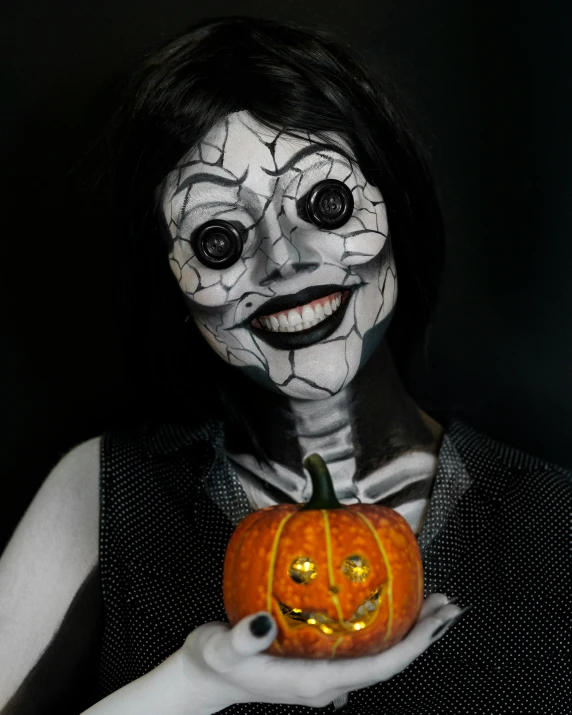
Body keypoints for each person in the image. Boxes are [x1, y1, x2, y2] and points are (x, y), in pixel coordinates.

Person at [0, 16, 569, 715]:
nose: (285, 259)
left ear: (396, 201)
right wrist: (192, 683)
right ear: (173, 286)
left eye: (325, 204)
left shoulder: (554, 518)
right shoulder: (103, 493)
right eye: (218, 239)